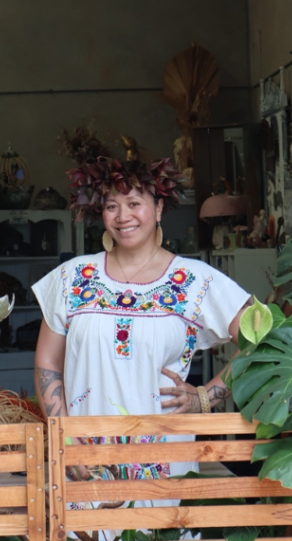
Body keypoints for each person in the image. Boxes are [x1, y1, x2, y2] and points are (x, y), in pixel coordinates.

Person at [32, 151, 251, 489]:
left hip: (165, 466)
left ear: (159, 208)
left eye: (135, 203)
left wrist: (206, 396)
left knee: (160, 540)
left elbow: (264, 341)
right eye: (111, 206)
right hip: (85, 464)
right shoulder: (72, 277)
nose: (123, 217)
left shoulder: (195, 280)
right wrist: (66, 443)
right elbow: (47, 362)